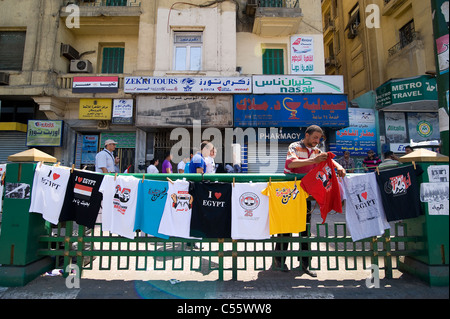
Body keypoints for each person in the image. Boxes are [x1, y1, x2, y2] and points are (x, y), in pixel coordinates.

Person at [279, 125, 346, 277]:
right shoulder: (294, 146)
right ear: (307, 135)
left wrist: (338, 166)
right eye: (315, 137)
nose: (317, 141)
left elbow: (327, 158)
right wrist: (313, 160)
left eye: (319, 138)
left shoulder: (317, 150)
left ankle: (304, 264)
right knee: (286, 228)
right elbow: (291, 164)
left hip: (307, 194)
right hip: (290, 193)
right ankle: (280, 260)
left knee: (305, 229)